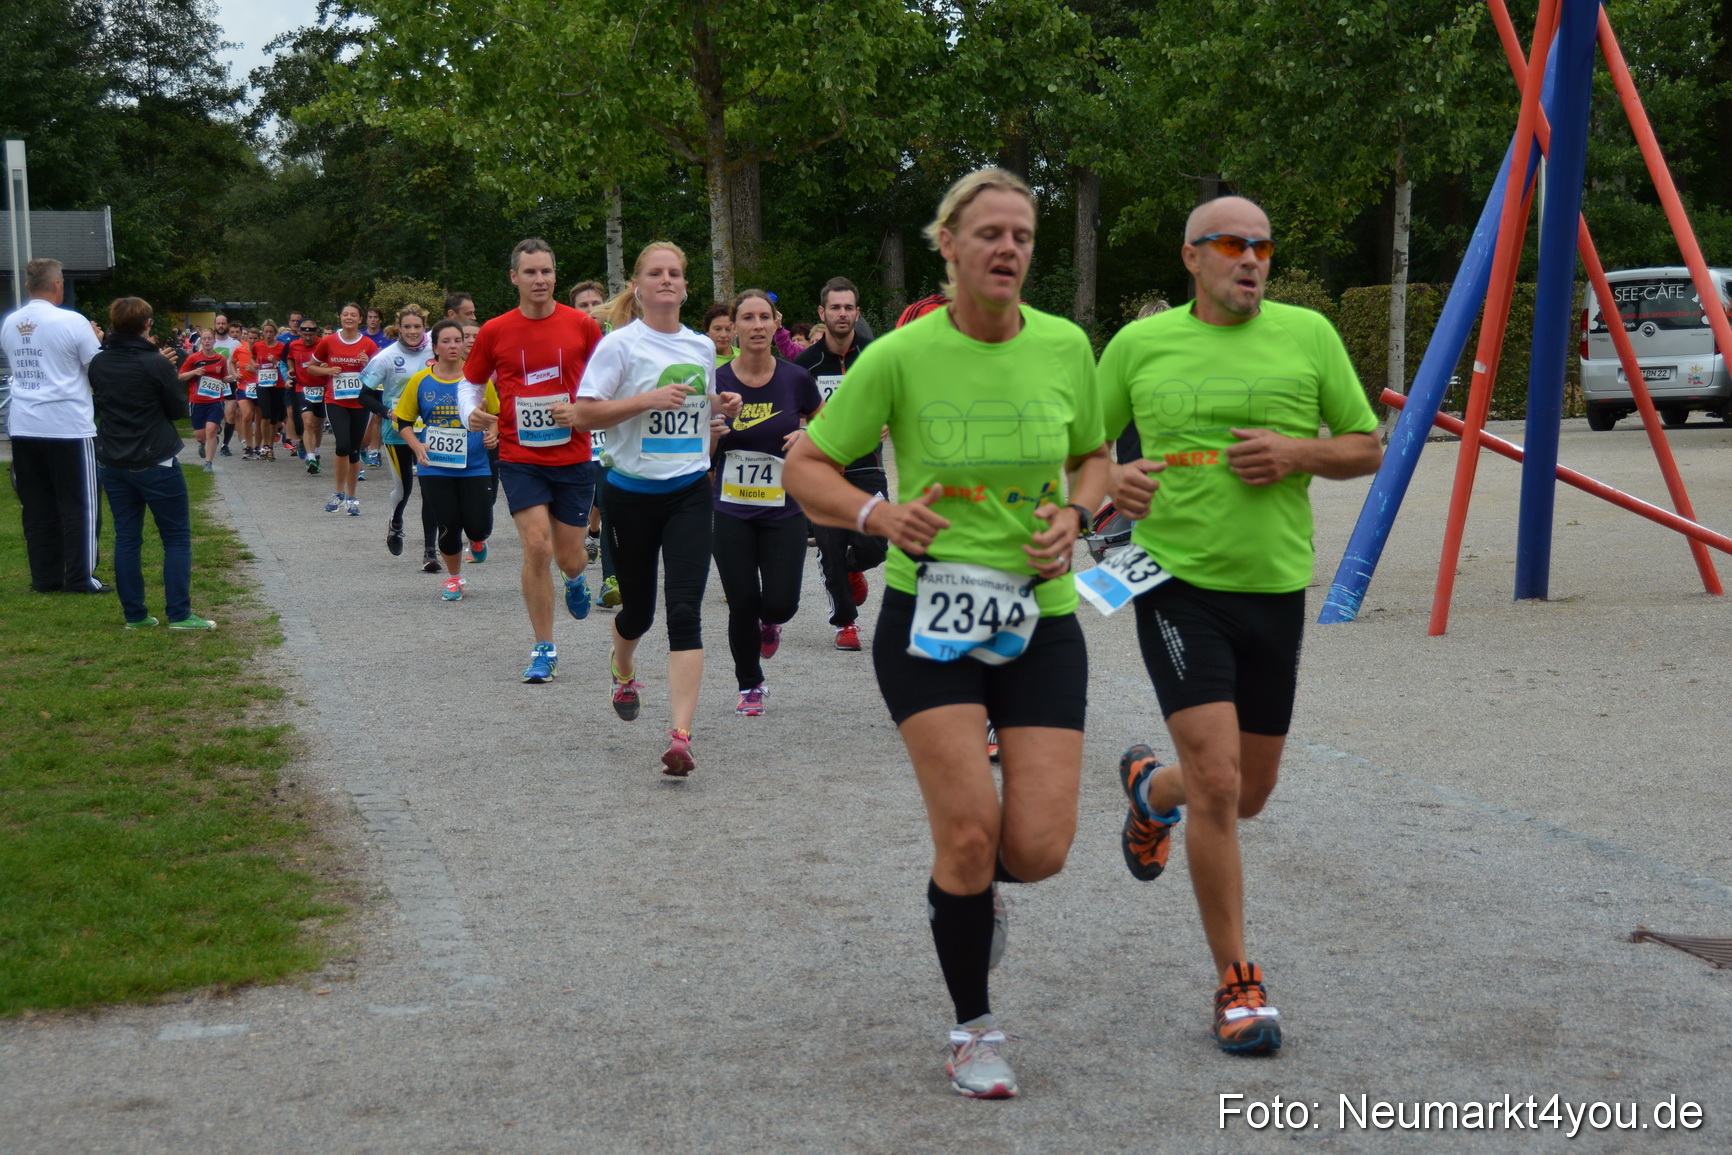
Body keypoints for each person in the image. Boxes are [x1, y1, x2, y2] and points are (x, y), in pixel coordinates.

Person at [784, 167, 1109, 1098]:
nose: (1009, 248)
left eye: (1024, 235)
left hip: (1039, 620)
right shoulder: (900, 355)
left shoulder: (1064, 346)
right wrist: (877, 515)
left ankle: (969, 896)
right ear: (951, 246)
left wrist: (1077, 518)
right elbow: (807, 464)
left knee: (1036, 848)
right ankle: (974, 1026)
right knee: (968, 833)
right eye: (991, 234)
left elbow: (1093, 455)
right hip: (926, 620)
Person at [1098, 196, 1381, 1056]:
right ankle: (1238, 982)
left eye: (1261, 244)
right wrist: (1112, 481)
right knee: (1219, 781)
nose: (1250, 258)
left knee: (1246, 792)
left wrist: (1299, 453)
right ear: (1192, 258)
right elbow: (1076, 445)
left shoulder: (1311, 334)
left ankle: (1152, 791)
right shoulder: (1140, 345)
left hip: (1274, 587)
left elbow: (1367, 444)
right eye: (1231, 245)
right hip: (1175, 585)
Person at [570, 241, 742, 775]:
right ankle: (622, 665)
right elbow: (583, 415)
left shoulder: (700, 347)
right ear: (639, 288)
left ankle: (681, 737)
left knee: (685, 612)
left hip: (690, 492)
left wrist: (718, 407)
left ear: (685, 287)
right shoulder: (620, 346)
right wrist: (646, 400)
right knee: (639, 611)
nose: (666, 280)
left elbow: (694, 407)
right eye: (655, 274)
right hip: (629, 494)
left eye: (675, 274)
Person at [458, 238, 605, 683]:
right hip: (520, 456)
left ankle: (576, 580)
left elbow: (608, 380)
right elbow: (470, 383)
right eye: (530, 272)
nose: (539, 279)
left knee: (570, 558)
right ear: (514, 278)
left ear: (555, 276)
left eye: (546, 271)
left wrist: (583, 410)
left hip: (574, 456)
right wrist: (470, 413)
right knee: (536, 546)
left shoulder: (581, 326)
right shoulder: (495, 330)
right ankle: (544, 646)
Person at [711, 289, 822, 715]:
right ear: (734, 327)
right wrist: (713, 434)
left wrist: (810, 435)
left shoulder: (795, 378)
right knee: (741, 602)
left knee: (781, 602)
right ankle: (750, 684)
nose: (757, 325)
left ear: (777, 324)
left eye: (764, 318)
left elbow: (828, 423)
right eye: (747, 318)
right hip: (730, 509)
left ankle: (770, 621)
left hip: (784, 510)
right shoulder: (716, 382)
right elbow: (698, 451)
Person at [87, 297, 215, 630]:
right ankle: (180, 613)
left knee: (127, 538)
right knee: (175, 538)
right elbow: (177, 411)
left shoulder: (99, 363)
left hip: (114, 459)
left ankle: (136, 616)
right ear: (147, 324)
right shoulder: (155, 363)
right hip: (155, 458)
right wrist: (169, 374)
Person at [1, 258, 109, 593]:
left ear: (27, 286)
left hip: (24, 423)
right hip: (67, 425)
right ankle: (80, 577)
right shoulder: (72, 322)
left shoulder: (9, 323)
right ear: (58, 284)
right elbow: (97, 369)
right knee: (80, 505)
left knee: (37, 507)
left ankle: (45, 578)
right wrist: (98, 339)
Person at [793, 276, 886, 651]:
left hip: (866, 465)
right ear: (822, 312)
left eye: (848, 307)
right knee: (829, 547)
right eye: (835, 307)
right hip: (822, 469)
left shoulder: (875, 355)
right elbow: (792, 413)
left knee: (877, 543)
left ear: (857, 313)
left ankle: (854, 567)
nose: (842, 314)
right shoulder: (805, 364)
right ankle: (845, 623)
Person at [396, 319, 498, 601]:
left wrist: (493, 434)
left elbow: (496, 416)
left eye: (458, 340)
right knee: (448, 525)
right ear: (436, 346)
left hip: (475, 465)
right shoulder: (421, 381)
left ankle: (478, 540)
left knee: (479, 525)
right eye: (446, 341)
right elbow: (402, 420)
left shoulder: (478, 379)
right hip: (435, 466)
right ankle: (454, 579)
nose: (453, 346)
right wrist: (416, 446)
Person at [361, 305, 437, 563]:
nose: (413, 331)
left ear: (424, 326)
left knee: (431, 490)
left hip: (430, 431)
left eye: (417, 326)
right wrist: (387, 412)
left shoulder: (435, 351)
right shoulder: (386, 356)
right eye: (407, 327)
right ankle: (396, 522)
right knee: (403, 489)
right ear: (399, 328)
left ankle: (430, 551)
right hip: (396, 434)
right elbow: (364, 395)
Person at [305, 303, 379, 515]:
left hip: (359, 402)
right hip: (335, 400)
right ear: (341, 318)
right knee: (342, 445)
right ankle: (338, 492)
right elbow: (311, 367)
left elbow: (377, 374)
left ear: (359, 319)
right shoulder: (329, 341)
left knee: (355, 450)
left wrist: (367, 364)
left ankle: (353, 496)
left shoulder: (368, 343)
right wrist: (328, 369)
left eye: (353, 315)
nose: (348, 318)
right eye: (345, 314)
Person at [569, 280, 617, 602]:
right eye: (583, 305)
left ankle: (611, 580)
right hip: (572, 437)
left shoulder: (620, 342)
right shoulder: (563, 342)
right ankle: (575, 568)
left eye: (595, 304)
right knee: (576, 509)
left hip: (610, 439)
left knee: (611, 504)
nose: (589, 310)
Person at [177, 329, 229, 473]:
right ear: (201, 341)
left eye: (209, 338)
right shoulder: (193, 358)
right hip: (197, 401)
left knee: (211, 430)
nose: (207, 341)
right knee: (200, 436)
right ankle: (203, 443)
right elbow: (181, 376)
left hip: (215, 400)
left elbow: (224, 378)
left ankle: (208, 463)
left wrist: (234, 377)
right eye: (204, 339)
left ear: (214, 341)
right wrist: (195, 372)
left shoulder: (221, 359)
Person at [283, 317, 326, 472]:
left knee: (317, 423)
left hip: (322, 388)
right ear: (299, 332)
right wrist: (291, 370)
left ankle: (316, 451)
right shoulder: (293, 345)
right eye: (305, 335)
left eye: (311, 335)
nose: (308, 338)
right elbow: (289, 359)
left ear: (316, 333)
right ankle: (311, 458)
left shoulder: (323, 344)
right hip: (303, 387)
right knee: (308, 422)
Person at [251, 321, 287, 460]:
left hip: (278, 385)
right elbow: (252, 356)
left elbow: (285, 364)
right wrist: (254, 364)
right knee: (265, 415)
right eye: (265, 332)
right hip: (263, 384)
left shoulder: (282, 347)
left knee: (274, 419)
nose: (268, 335)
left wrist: (275, 362)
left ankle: (270, 446)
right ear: (262, 332)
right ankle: (265, 446)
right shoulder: (258, 346)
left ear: (275, 333)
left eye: (271, 332)